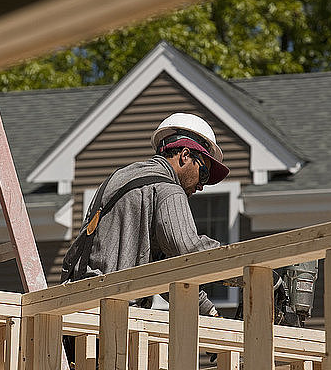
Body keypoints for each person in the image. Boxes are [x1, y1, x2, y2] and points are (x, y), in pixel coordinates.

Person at [61, 112, 231, 317]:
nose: (201, 186)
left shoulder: (116, 179)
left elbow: (163, 268)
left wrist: (209, 312)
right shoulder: (168, 189)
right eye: (203, 173)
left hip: (77, 312)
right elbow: (189, 250)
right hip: (116, 317)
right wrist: (246, 265)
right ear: (185, 155)